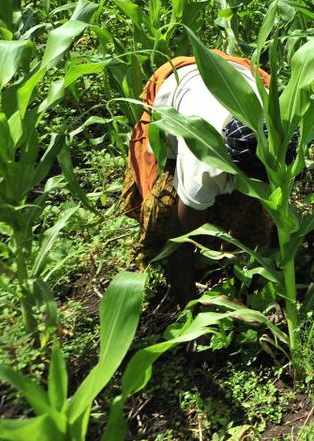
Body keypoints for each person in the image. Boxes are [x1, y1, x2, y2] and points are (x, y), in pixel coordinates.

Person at [121, 51, 287, 302]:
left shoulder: (283, 130)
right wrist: (192, 313)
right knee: (164, 207)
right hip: (177, 81)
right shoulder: (203, 162)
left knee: (258, 209)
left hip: (237, 73)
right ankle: (156, 255)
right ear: (229, 165)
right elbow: (181, 243)